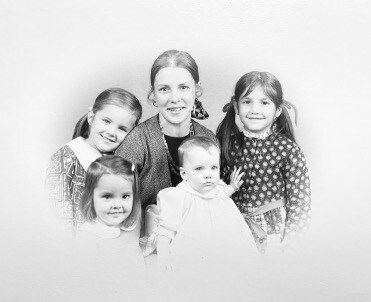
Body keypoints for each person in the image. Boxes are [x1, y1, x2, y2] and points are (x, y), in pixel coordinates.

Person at [216, 71, 311, 253]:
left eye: (264, 103)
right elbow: (216, 190)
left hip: (275, 232)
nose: (254, 110)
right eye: (246, 102)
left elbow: (300, 203)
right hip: (236, 228)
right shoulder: (228, 145)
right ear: (236, 106)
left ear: (278, 110)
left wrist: (291, 247)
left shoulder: (287, 150)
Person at [115, 50, 216, 209]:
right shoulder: (136, 142)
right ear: (153, 94)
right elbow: (114, 203)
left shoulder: (209, 139)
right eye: (164, 89)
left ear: (196, 90)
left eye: (183, 87)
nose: (175, 98)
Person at [147, 136, 257, 273]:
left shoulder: (216, 189)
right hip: (194, 247)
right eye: (199, 169)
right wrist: (163, 256)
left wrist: (233, 187)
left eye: (214, 168)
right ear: (184, 174)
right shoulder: (180, 197)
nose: (208, 175)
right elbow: (166, 229)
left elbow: (223, 192)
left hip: (222, 243)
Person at [46, 88, 142, 232]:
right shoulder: (64, 159)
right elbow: (57, 215)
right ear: (91, 117)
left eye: (122, 129)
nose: (111, 132)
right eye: (106, 121)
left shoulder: (120, 164)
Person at [74, 155, 146, 299]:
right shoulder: (88, 236)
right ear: (91, 197)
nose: (117, 205)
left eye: (125, 196)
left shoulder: (133, 224)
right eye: (107, 196)